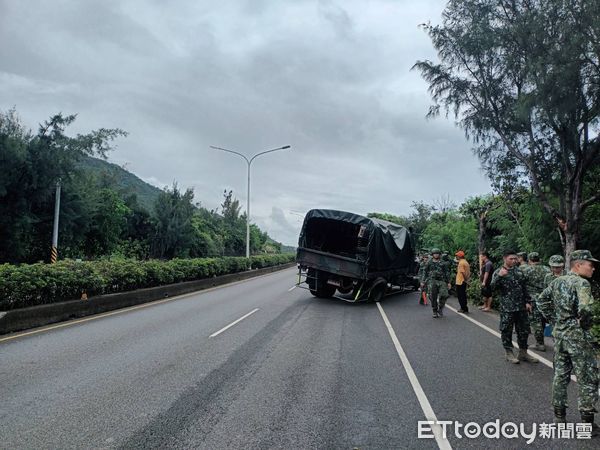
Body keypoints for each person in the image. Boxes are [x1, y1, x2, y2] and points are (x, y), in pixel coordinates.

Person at [537, 250, 599, 430]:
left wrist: (555, 320)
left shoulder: (558, 281)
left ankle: (559, 416)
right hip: (578, 338)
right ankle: (587, 422)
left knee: (560, 376)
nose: (593, 268)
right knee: (587, 378)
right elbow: (586, 308)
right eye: (590, 264)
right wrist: (584, 325)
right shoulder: (582, 284)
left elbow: (541, 301)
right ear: (578, 265)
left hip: (560, 335)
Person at [490, 249, 539, 364]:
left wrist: (528, 302)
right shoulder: (499, 272)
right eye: (511, 259)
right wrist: (500, 277)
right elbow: (491, 288)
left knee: (524, 331)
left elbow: (524, 288)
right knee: (506, 330)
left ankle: (523, 352)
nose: (513, 261)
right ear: (504, 259)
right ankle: (509, 352)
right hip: (507, 308)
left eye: (515, 258)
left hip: (521, 307)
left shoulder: (519, 272)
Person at [522, 252, 551, 351]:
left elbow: (522, 284)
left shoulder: (526, 270)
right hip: (545, 298)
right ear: (539, 259)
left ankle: (540, 343)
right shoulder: (547, 269)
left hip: (532, 299)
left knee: (535, 321)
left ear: (529, 260)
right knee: (543, 320)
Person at [421, 248, 451, 318]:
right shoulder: (429, 262)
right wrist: (423, 281)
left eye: (437, 253)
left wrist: (449, 282)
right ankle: (434, 311)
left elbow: (447, 273)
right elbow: (425, 272)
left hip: (442, 281)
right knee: (432, 296)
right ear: (432, 254)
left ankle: (440, 308)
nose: (436, 255)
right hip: (432, 280)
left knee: (444, 295)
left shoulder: (443, 262)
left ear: (439, 254)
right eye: (435, 253)